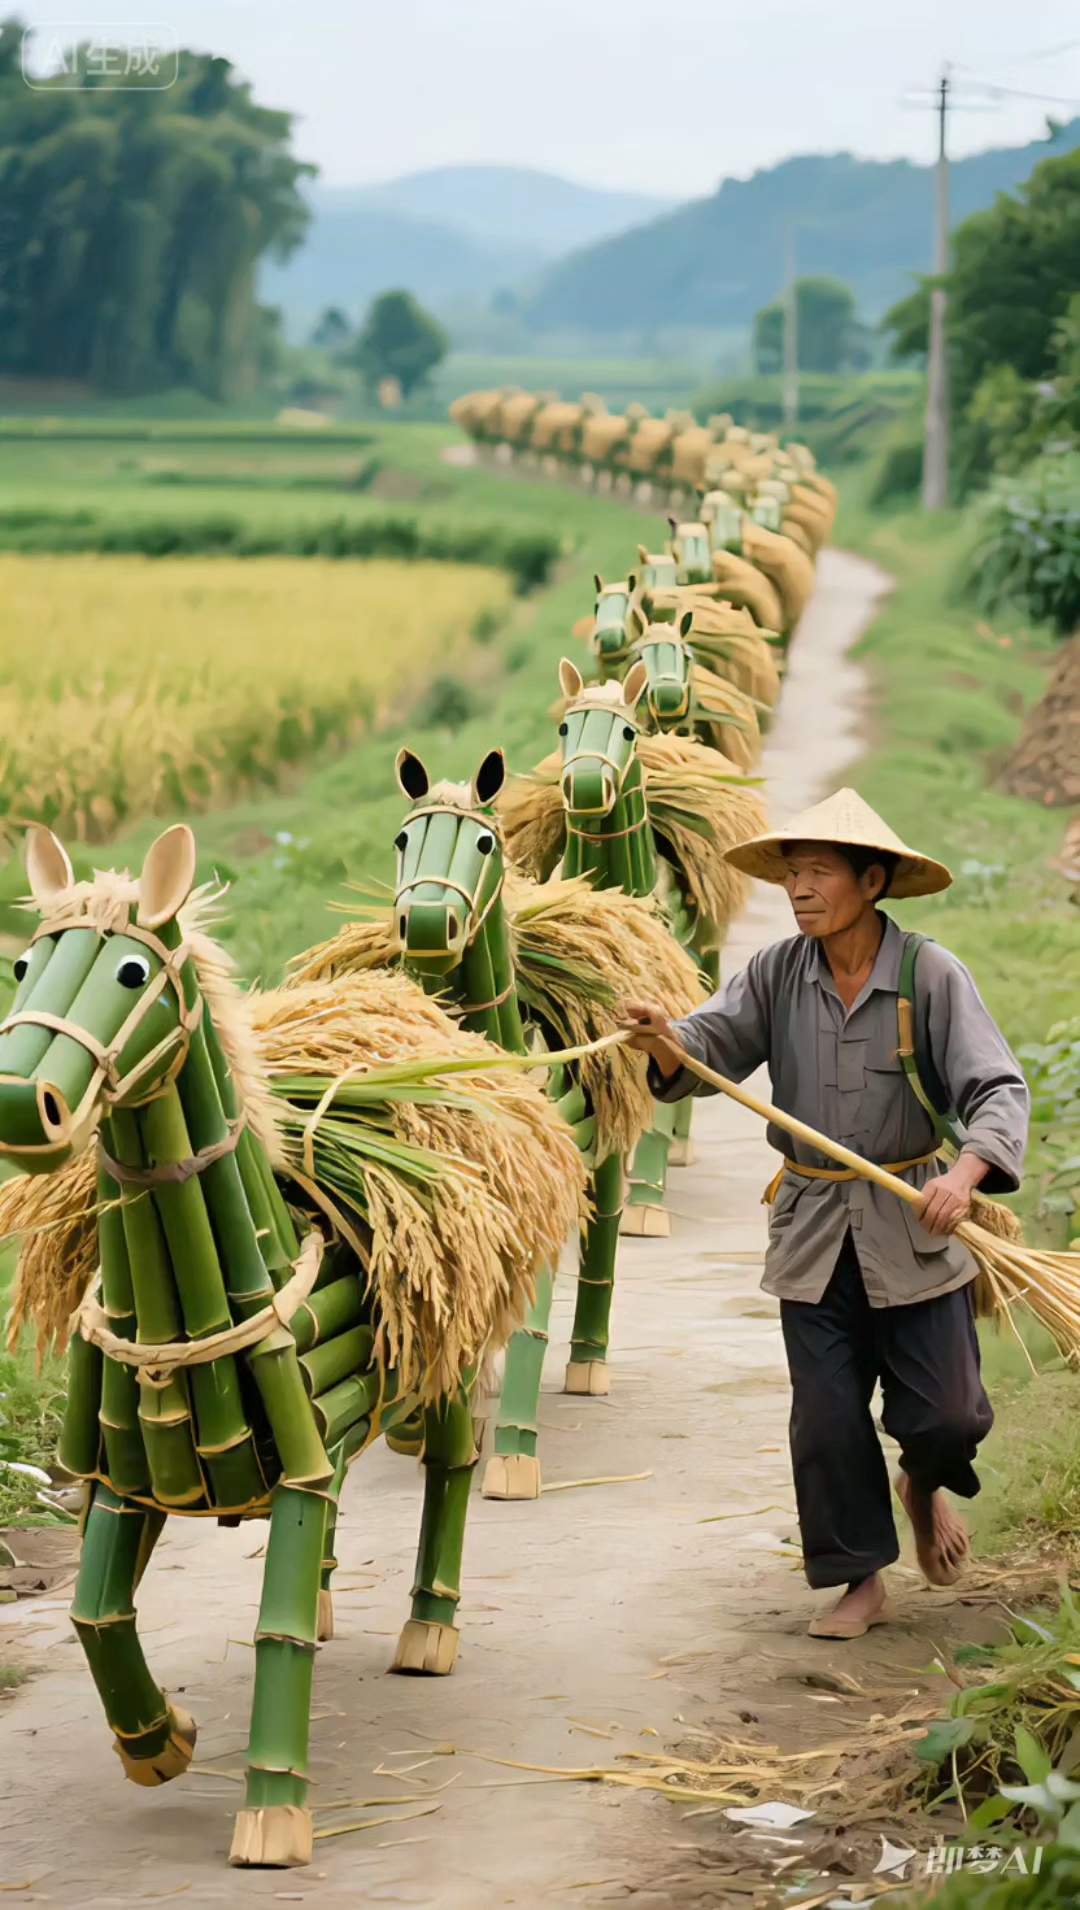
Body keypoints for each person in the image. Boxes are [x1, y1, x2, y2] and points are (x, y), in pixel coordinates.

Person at [621, 788, 1030, 1640]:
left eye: (818, 874)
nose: (800, 889)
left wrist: (965, 1173)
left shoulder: (929, 975)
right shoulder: (776, 972)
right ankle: (859, 1580)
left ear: (872, 880)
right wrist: (665, 1038)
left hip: (915, 1224)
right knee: (826, 1415)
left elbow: (997, 1088)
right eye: (792, 875)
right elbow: (707, 1050)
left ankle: (922, 1481)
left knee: (949, 1416)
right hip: (811, 1229)